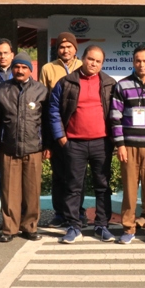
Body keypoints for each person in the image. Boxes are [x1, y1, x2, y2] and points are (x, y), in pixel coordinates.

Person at [50, 45, 117, 244]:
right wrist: (60, 136)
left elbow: (117, 112)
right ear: (82, 58)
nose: (93, 63)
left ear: (102, 64)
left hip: (101, 143)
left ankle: (102, 225)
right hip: (74, 143)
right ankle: (73, 226)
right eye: (90, 59)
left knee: (102, 186)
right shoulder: (66, 82)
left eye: (98, 61)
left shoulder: (109, 84)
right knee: (73, 186)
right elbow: (53, 110)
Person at [0, 52, 49, 243]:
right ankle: (9, 228)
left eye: (24, 67)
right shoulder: (1, 91)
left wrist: (48, 145)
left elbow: (47, 122)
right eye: (16, 67)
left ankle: (30, 227)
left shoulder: (41, 90)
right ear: (12, 68)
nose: (20, 70)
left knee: (32, 191)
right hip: (8, 148)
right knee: (9, 191)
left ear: (31, 70)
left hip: (34, 148)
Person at [111, 46, 145, 244]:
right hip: (129, 146)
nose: (141, 64)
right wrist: (120, 145)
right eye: (138, 61)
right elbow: (115, 117)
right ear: (133, 62)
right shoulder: (122, 85)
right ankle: (128, 227)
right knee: (129, 190)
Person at [40, 32, 83, 228]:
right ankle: (59, 213)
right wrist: (47, 141)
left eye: (69, 47)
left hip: (78, 130)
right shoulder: (48, 68)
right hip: (56, 130)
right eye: (61, 47)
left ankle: (78, 211)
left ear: (75, 49)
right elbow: (43, 102)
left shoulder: (82, 66)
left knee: (76, 175)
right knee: (58, 175)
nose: (65, 50)